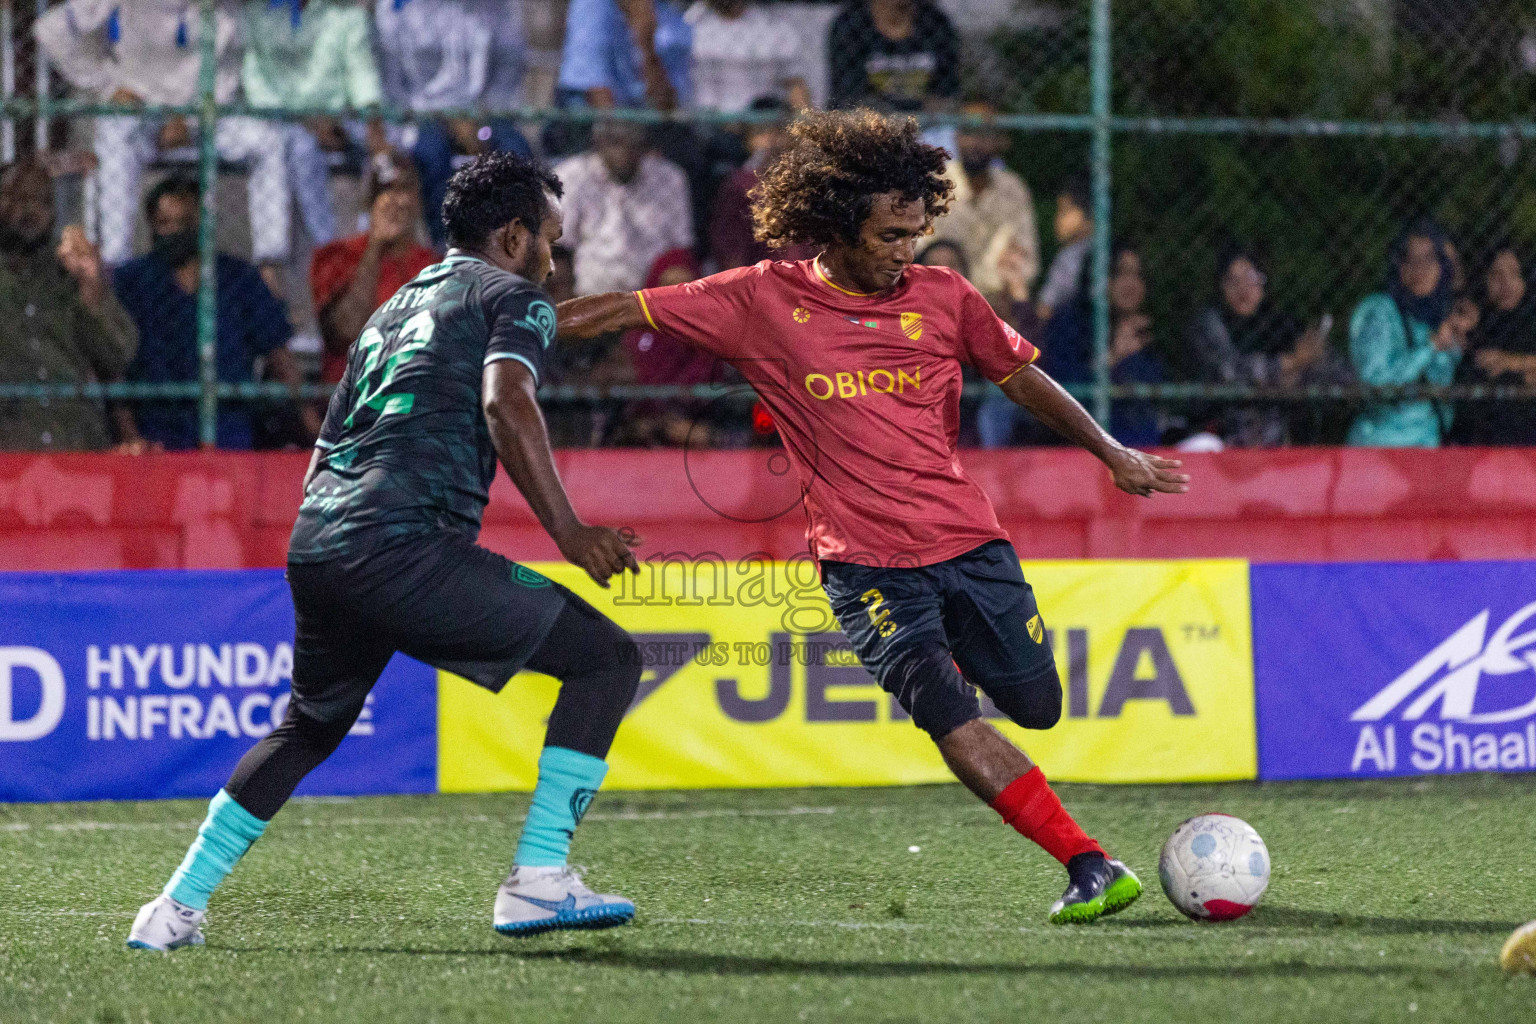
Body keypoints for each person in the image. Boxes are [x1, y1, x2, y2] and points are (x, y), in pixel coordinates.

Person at [557, 110, 1188, 923]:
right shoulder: (760, 298)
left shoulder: (946, 296)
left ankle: (962, 652)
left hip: (967, 542)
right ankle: (1089, 863)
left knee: (1038, 706)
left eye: (917, 233)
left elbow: (1022, 377)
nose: (906, 250)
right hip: (864, 566)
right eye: (890, 234)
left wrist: (1109, 451)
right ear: (837, 224)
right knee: (944, 710)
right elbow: (621, 311)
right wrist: (499, 328)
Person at [126, 153, 645, 952]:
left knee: (306, 728)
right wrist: (571, 533)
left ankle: (170, 911)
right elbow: (507, 402)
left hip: (323, 538)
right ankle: (540, 880)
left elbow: (333, 432)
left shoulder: (397, 304)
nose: (553, 257)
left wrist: (337, 531)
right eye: (549, 239)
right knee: (606, 660)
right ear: (513, 236)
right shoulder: (517, 298)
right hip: (404, 544)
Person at [33, 0, 290, 275]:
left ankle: (270, 265)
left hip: (209, 115)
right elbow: (50, 30)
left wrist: (187, 117)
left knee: (268, 141)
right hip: (143, 111)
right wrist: (108, 86)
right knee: (115, 132)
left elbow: (237, 69)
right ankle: (115, 266)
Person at [112, 176, 316, 450]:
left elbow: (279, 356)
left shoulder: (239, 278)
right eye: (164, 224)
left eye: (184, 224)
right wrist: (130, 435)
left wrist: (313, 429)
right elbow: (113, 367)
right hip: (157, 434)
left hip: (230, 432)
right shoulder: (132, 282)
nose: (174, 233)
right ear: (151, 225)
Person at [0, 157, 138, 452]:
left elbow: (117, 356)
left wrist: (91, 287)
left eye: (43, 201)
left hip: (74, 447)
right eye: (17, 197)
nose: (30, 211)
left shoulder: (69, 272)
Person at [374, 0, 535, 249]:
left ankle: (513, 251)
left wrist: (481, 124)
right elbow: (392, 85)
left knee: (517, 153)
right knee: (432, 153)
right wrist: (440, 117)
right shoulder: (395, 8)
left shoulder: (500, 6)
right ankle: (444, 248)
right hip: (420, 116)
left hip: (485, 114)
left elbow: (509, 72)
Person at [241, 0, 386, 255]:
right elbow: (255, 82)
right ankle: (329, 250)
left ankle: (371, 240)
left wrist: (370, 125)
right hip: (284, 120)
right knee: (301, 148)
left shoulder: (346, 16)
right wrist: (304, 119)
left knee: (384, 154)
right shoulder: (259, 14)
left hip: (342, 116)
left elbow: (362, 74)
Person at [1187, 246, 1339, 447]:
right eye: (1232, 281)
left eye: (1250, 279)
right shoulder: (1210, 323)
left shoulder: (1281, 323)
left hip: (1280, 439)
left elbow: (1339, 376)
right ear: (1220, 287)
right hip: (1223, 434)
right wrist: (1290, 363)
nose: (1242, 289)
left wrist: (1302, 370)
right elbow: (1228, 371)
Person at [310, 153, 439, 385]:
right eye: (385, 190)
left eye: (404, 189)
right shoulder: (336, 257)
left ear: (418, 200)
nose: (395, 201)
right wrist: (375, 247)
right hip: (352, 403)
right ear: (370, 201)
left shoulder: (437, 268)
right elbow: (345, 332)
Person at [1348, 219, 1473, 448]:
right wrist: (1430, 347)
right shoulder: (1379, 311)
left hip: (1429, 448)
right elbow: (1376, 385)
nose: (1419, 269)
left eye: (1429, 259)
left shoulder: (1433, 319)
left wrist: (1459, 345)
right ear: (1399, 265)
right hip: (1383, 448)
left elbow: (1443, 384)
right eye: (1410, 259)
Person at [554, 120, 693, 295]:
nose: (625, 152)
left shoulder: (670, 177)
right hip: (588, 290)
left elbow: (681, 246)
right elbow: (559, 244)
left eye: (634, 143)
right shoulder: (571, 175)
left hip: (652, 290)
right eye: (616, 142)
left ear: (644, 144)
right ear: (599, 142)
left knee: (681, 276)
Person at [926, 101, 1040, 307]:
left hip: (998, 305)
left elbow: (1027, 261)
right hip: (942, 300)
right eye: (968, 132)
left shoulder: (1013, 188)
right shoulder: (935, 183)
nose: (975, 142)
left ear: (1000, 140)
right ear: (956, 137)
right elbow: (921, 255)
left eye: (985, 134)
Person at [708, 97, 815, 270]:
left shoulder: (810, 180)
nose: (771, 140)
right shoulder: (739, 185)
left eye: (779, 131)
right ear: (748, 138)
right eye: (762, 131)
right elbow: (730, 251)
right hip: (759, 281)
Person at [1450, 243, 1536, 445]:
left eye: (1514, 274)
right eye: (1496, 275)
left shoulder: (1530, 319)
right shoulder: (1477, 323)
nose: (1506, 283)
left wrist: (1511, 362)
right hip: (1483, 442)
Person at [827, 0, 960, 114]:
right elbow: (849, 98)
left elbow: (946, 93)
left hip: (929, 125)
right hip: (871, 126)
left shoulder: (935, 23)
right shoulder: (851, 25)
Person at [558, 0, 693, 111]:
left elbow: (668, 106)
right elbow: (593, 88)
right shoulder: (594, 6)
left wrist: (647, 46)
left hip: (645, 126)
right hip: (588, 123)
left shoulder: (673, 13)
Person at [685, 0, 810, 113]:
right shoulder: (687, 24)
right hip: (703, 127)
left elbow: (796, 85)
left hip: (762, 125)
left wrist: (804, 124)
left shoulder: (775, 28)